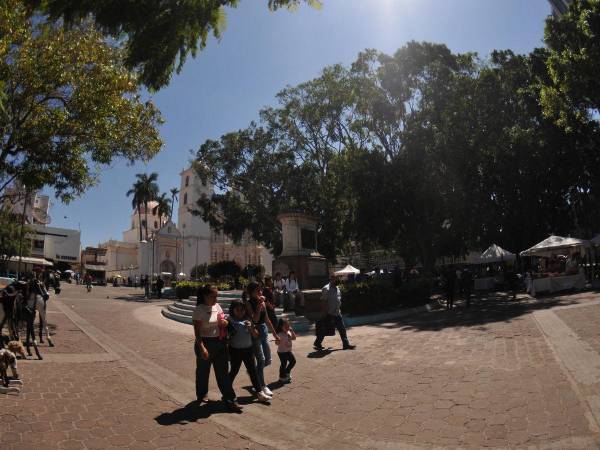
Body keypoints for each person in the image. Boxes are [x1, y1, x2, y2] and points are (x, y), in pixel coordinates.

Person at [192, 284, 241, 412]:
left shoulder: (217, 306)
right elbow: (197, 333)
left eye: (216, 296)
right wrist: (202, 348)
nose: (216, 299)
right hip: (205, 343)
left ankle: (230, 399)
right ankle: (202, 395)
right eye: (213, 296)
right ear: (205, 296)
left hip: (220, 343)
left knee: (223, 373)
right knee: (203, 372)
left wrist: (225, 322)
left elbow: (223, 320)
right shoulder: (199, 310)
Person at [227, 300, 271, 403]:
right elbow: (227, 337)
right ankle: (227, 391)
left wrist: (251, 328)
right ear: (232, 310)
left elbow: (256, 335)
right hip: (235, 351)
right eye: (238, 310)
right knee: (234, 371)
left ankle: (259, 392)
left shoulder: (248, 319)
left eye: (242, 310)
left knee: (253, 371)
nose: (240, 312)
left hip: (248, 350)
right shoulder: (229, 320)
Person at [246, 281, 279, 397]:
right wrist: (260, 305)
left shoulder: (263, 303)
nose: (260, 292)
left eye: (260, 290)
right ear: (251, 293)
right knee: (261, 359)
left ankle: (254, 373)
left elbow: (267, 320)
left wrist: (275, 334)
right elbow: (255, 319)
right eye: (257, 291)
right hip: (255, 331)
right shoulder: (249, 304)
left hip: (264, 330)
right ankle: (262, 386)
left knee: (268, 359)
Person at [314, 274, 356, 351]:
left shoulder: (337, 288)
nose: (339, 280)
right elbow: (323, 302)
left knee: (342, 329)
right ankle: (317, 343)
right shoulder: (326, 288)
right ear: (332, 279)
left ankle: (346, 344)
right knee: (325, 329)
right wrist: (324, 314)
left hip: (337, 313)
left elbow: (338, 299)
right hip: (329, 313)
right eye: (337, 279)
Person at [276, 318, 296, 383]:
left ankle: (287, 372)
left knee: (293, 361)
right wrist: (278, 340)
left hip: (288, 351)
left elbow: (294, 338)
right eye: (286, 326)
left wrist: (292, 331)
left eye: (288, 326)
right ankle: (281, 377)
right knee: (283, 364)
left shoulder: (288, 332)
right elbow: (276, 343)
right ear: (281, 327)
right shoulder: (279, 334)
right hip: (281, 352)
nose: (288, 327)